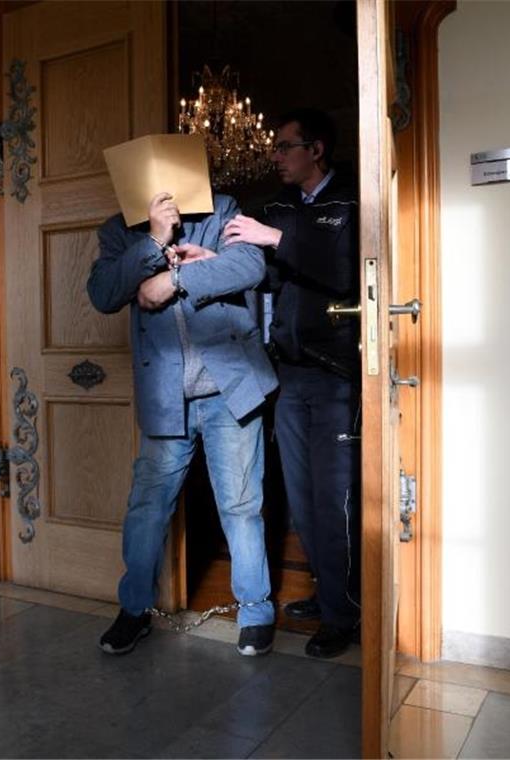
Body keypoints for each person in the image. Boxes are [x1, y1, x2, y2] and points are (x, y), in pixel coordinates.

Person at [88, 188, 279, 657]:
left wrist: (173, 278)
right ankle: (134, 611)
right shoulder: (118, 231)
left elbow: (249, 267)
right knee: (147, 509)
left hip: (229, 392)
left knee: (239, 506)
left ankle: (256, 613)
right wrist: (154, 242)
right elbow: (103, 292)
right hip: (165, 399)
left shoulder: (224, 210)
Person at [221, 108, 361, 659]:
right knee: (301, 499)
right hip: (289, 373)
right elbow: (267, 275)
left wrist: (274, 237)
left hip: (338, 378)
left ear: (316, 149)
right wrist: (218, 258)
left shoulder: (349, 205)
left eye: (284, 147)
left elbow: (348, 272)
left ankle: (342, 614)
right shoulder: (277, 209)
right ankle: (329, 594)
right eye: (275, 149)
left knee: (336, 500)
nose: (275, 156)